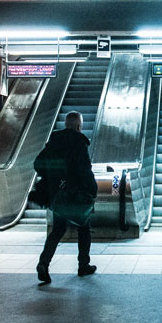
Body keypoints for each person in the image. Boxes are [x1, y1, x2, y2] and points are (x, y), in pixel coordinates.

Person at [34, 111, 98, 284]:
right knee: (84, 228)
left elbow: (37, 163)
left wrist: (54, 178)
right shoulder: (79, 142)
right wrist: (93, 189)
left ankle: (43, 263)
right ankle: (83, 265)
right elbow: (84, 170)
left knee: (57, 230)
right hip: (75, 195)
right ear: (79, 126)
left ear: (66, 124)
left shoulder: (54, 141)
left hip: (58, 196)